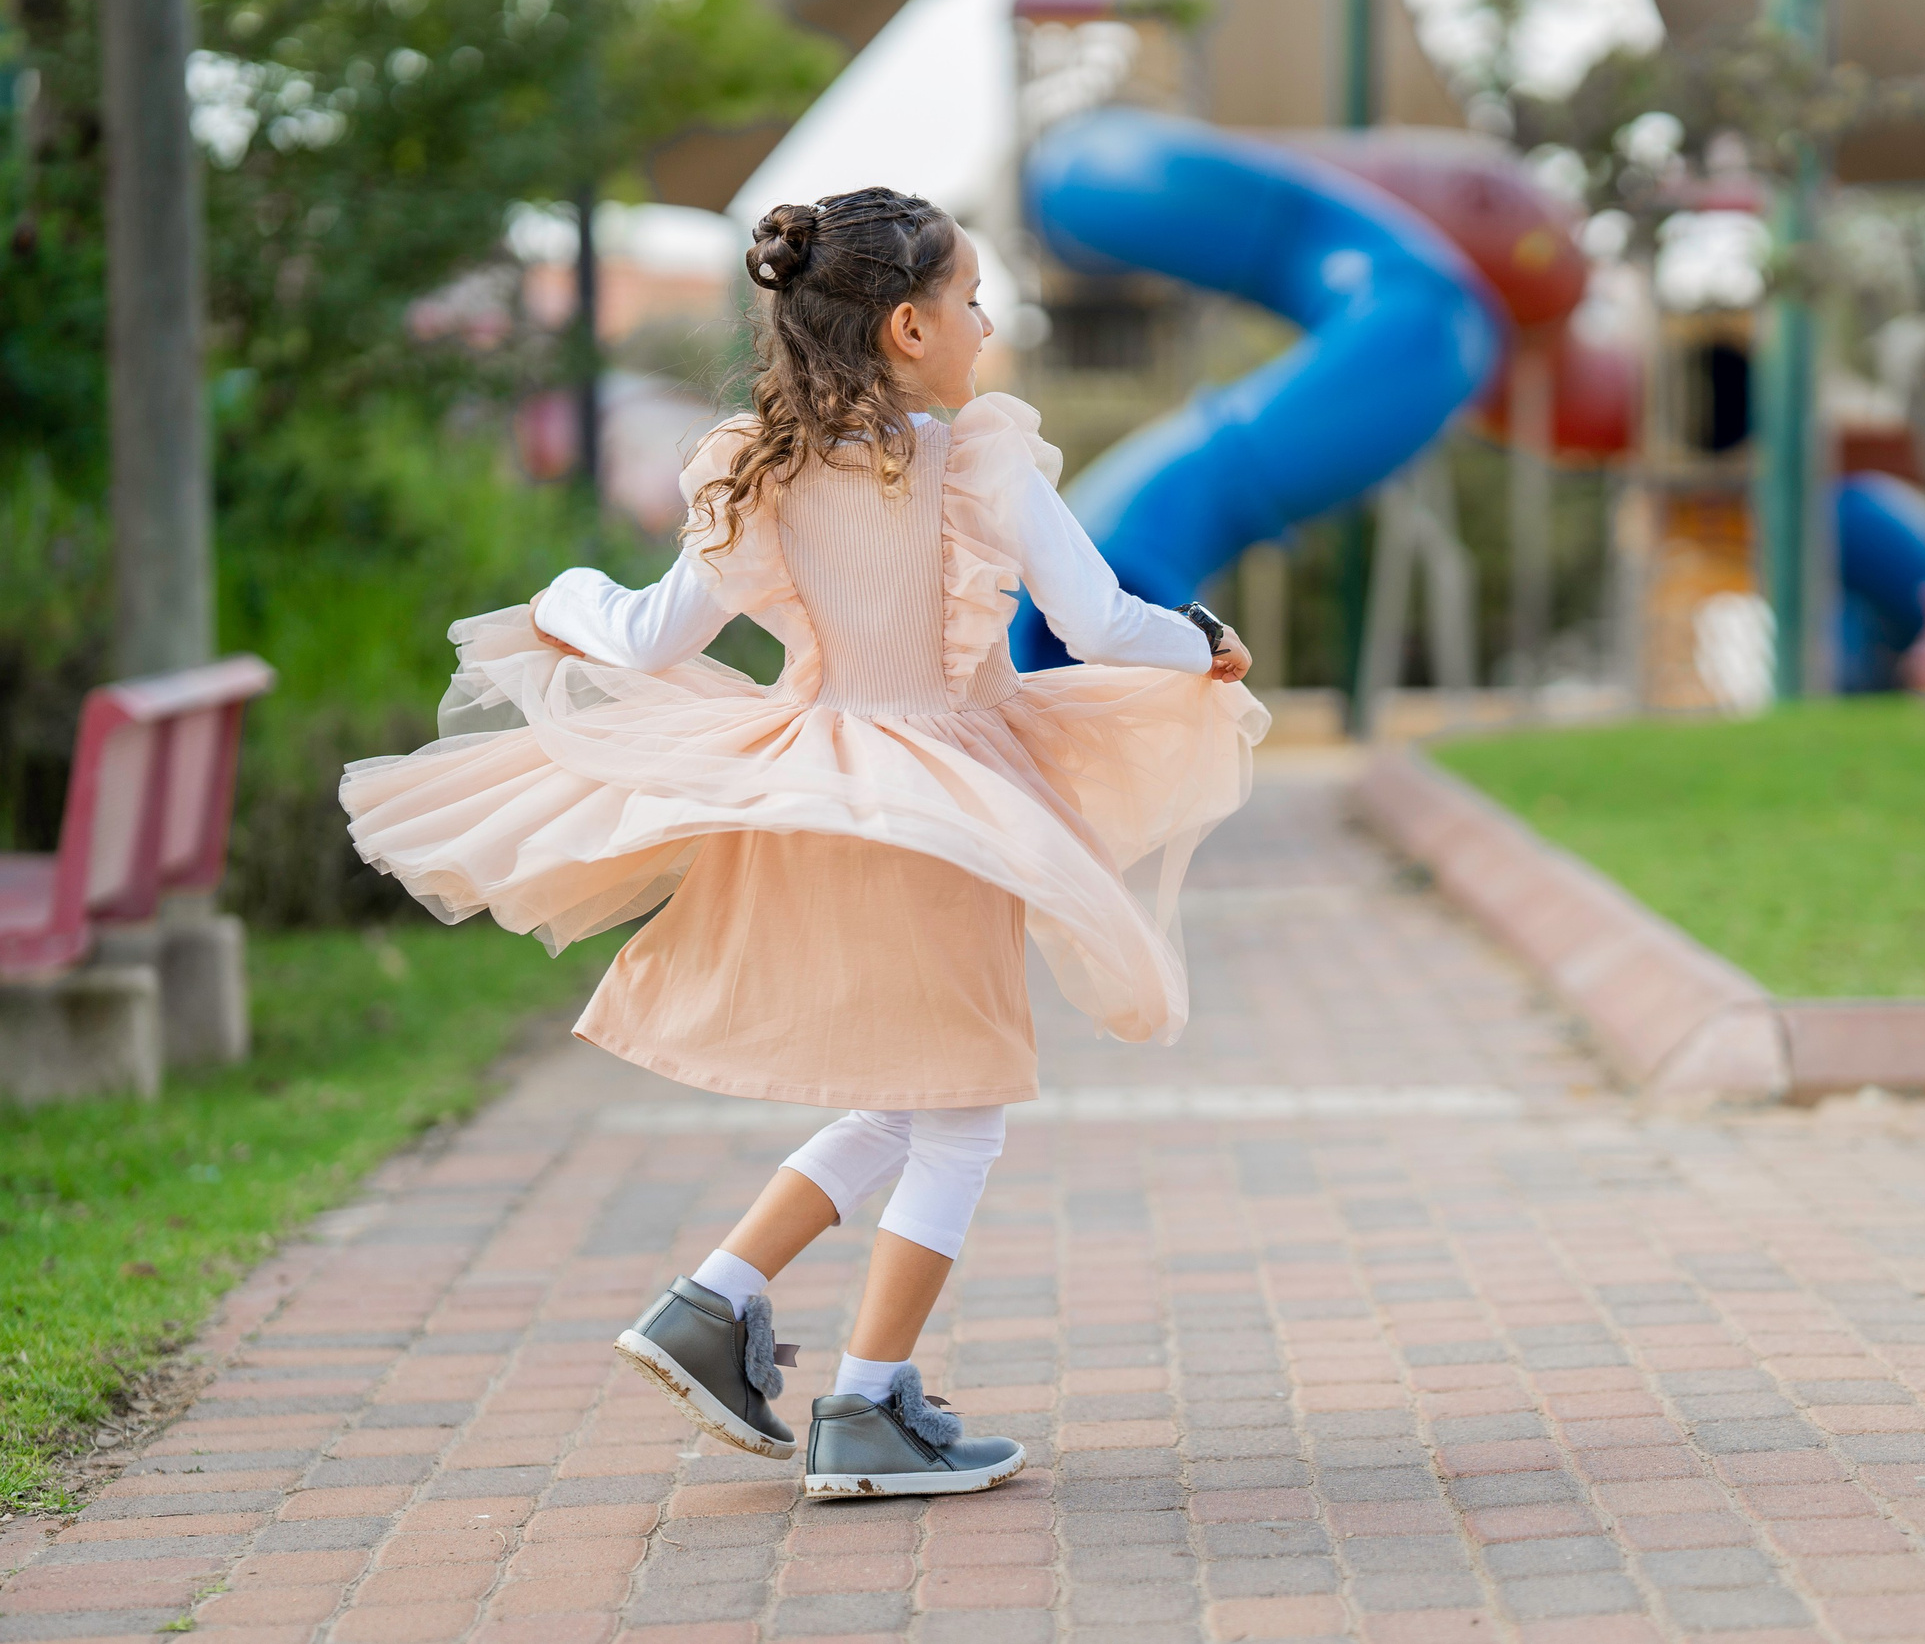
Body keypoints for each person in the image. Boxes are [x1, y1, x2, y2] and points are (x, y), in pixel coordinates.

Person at [341, 187, 1267, 1499]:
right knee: (961, 1105)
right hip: (944, 794)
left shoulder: (757, 467)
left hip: (814, 779)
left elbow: (652, 635)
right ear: (907, 327)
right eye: (970, 299)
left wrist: (563, 600)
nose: (986, 319)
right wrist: (1206, 643)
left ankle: (713, 1306)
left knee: (917, 1087)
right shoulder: (978, 461)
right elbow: (1104, 623)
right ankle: (869, 1400)